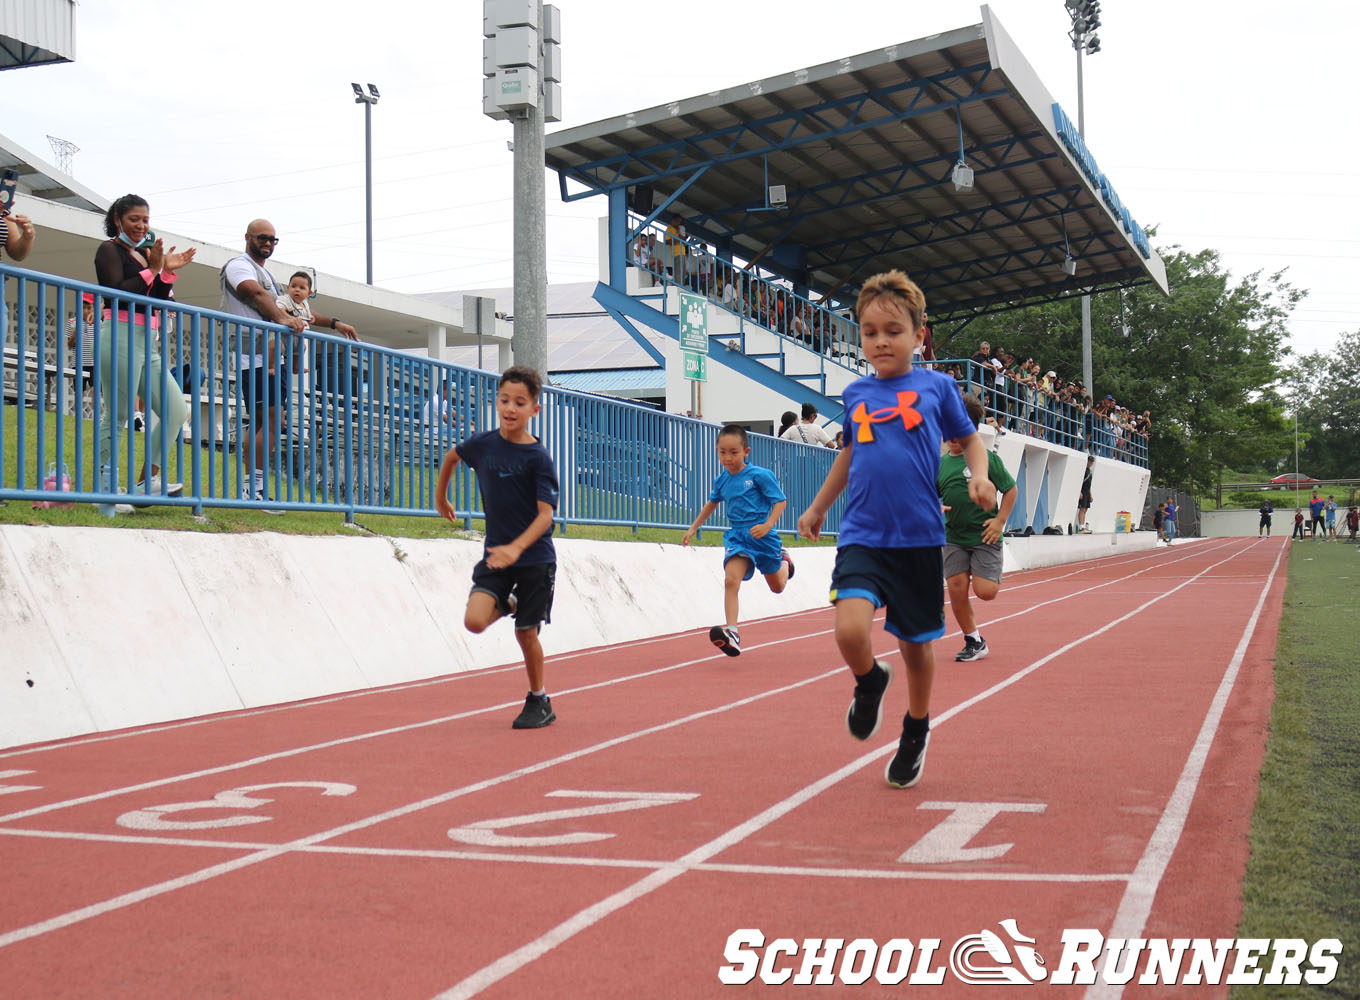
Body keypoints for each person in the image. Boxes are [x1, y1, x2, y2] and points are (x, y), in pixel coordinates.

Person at [797, 269, 995, 790]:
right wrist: (818, 507)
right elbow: (847, 457)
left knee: (915, 647)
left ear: (918, 334)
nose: (880, 341)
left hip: (920, 539)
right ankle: (869, 681)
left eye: (893, 330)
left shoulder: (937, 387)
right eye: (869, 332)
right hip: (862, 533)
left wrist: (978, 476)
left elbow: (971, 442)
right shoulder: (856, 392)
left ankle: (916, 727)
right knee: (849, 630)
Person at [434, 365, 561, 729]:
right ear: (496, 402)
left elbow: (545, 517)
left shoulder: (538, 458)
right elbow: (451, 456)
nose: (510, 408)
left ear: (534, 409)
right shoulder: (484, 444)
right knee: (474, 621)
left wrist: (517, 548)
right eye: (504, 400)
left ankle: (539, 699)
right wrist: (441, 498)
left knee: (526, 633)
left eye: (520, 402)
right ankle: (508, 602)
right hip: (497, 556)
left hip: (534, 559)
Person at [220, 219, 354, 510]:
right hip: (254, 357)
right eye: (262, 237)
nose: (268, 243)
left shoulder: (268, 274)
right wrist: (282, 320)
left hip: (271, 358)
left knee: (260, 422)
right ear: (248, 237)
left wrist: (334, 323)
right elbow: (254, 294)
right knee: (272, 421)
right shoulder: (239, 266)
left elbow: (299, 310)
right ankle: (253, 490)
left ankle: (249, 490)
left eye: (273, 239)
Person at [92, 193, 193, 515]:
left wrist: (164, 272)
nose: (141, 225)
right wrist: (153, 269)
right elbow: (116, 291)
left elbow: (161, 298)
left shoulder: (145, 255)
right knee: (118, 416)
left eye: (146, 220)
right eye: (134, 219)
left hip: (146, 343)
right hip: (119, 335)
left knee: (176, 410)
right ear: (118, 219)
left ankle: (143, 484)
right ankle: (104, 491)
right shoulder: (109, 249)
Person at [682, 424, 795, 657]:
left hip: (763, 537)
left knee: (778, 587)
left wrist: (767, 525)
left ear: (746, 452)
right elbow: (712, 503)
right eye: (722, 452)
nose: (727, 457)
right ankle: (732, 633)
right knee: (731, 580)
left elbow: (780, 501)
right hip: (738, 537)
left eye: (734, 452)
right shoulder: (721, 480)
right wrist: (693, 527)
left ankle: (785, 561)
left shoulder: (760, 476)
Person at [940, 393, 1017, 662]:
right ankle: (973, 640)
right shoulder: (941, 464)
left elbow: (1010, 490)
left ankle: (983, 570)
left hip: (985, 535)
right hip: (954, 537)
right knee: (957, 587)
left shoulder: (986, 459)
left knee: (985, 592)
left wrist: (1000, 521)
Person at [1077, 454, 1094, 533]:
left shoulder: (1089, 471)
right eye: (1089, 461)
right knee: (1082, 508)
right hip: (1083, 491)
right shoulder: (1083, 470)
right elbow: (1080, 482)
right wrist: (1079, 491)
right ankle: (1081, 527)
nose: (1090, 463)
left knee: (1085, 509)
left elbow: (1089, 484)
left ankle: (1083, 527)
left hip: (1087, 491)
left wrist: (1090, 495)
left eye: (1091, 462)